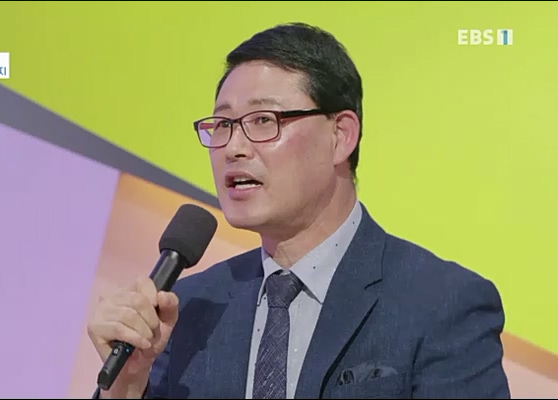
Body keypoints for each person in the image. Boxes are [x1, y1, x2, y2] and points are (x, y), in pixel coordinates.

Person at [87, 22, 511, 399]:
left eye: (263, 120)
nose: (233, 148)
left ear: (341, 136)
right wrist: (126, 387)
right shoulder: (190, 308)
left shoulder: (442, 303)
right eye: (223, 125)